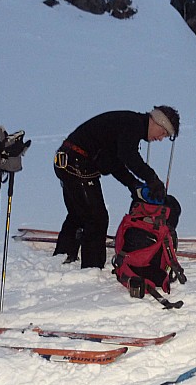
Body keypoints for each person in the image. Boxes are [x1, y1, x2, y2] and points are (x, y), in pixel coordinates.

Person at [52, 107, 180, 269]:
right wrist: (152, 178)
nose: (160, 139)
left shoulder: (128, 124)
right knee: (96, 218)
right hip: (76, 164)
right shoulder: (133, 125)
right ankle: (92, 268)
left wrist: (133, 185)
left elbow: (115, 162)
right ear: (156, 121)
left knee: (79, 212)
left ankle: (63, 255)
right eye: (163, 133)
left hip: (68, 161)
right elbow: (129, 156)